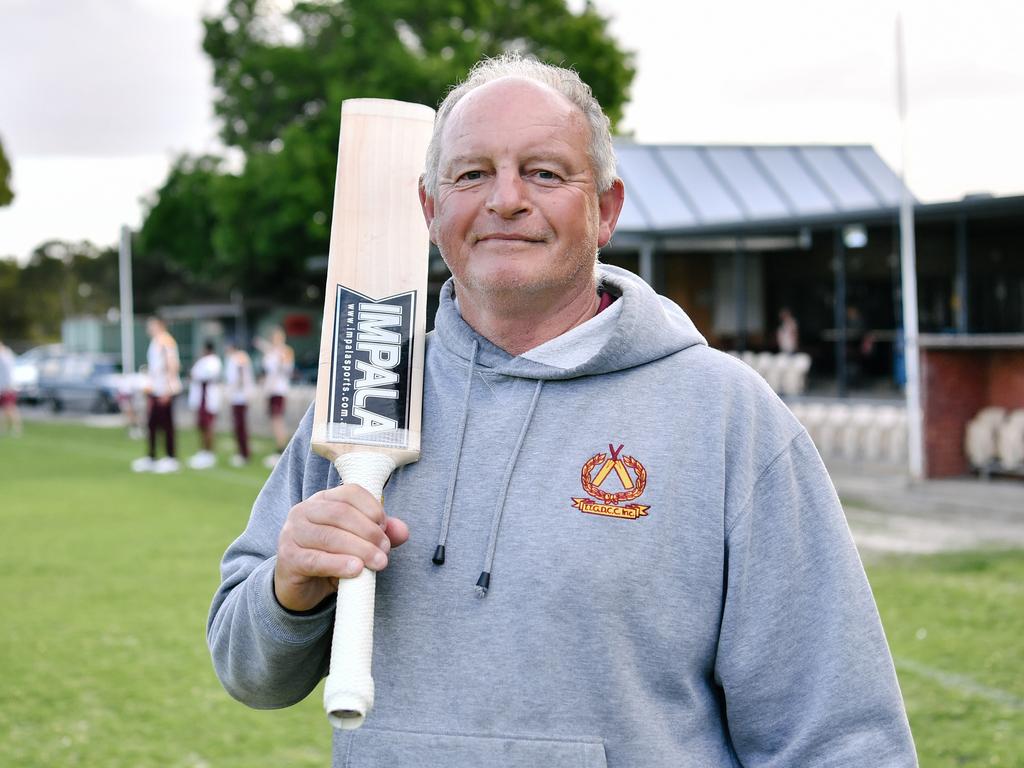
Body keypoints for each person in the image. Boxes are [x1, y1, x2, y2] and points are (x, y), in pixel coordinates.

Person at [208, 55, 917, 767]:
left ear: (605, 209)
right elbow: (249, 673)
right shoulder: (366, 392)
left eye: (544, 172)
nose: (506, 200)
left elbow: (839, 737)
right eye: (471, 173)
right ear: (429, 209)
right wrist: (289, 588)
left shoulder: (725, 417)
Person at [132, 317, 181, 473]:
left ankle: (171, 457)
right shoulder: (156, 342)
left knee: (166, 425)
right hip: (155, 389)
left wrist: (168, 388)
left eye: (151, 325)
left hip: (164, 390)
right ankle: (152, 456)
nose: (149, 327)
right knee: (152, 424)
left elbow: (172, 364)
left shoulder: (166, 341)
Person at [254, 327, 294, 468]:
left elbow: (287, 369)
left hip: (278, 391)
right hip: (270, 391)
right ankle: (279, 447)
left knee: (278, 420)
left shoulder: (285, 352)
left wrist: (280, 358)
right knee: (274, 420)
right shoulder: (272, 353)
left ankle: (281, 450)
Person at [187, 341, 223, 470]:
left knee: (208, 426)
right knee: (201, 426)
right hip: (201, 398)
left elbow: (205, 375)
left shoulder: (213, 361)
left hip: (208, 399)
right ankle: (202, 451)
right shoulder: (203, 361)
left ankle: (209, 453)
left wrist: (195, 375)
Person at [224, 338, 254, 467]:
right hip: (237, 396)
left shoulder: (239, 357)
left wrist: (235, 389)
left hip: (240, 397)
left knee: (240, 426)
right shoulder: (233, 358)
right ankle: (241, 451)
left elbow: (241, 375)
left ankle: (244, 453)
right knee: (238, 426)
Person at [0, 340, 22, 437]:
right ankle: (3, 429)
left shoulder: (5, 356)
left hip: (7, 387)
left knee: (10, 408)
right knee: (3, 410)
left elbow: (8, 373)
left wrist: (8, 386)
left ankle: (17, 429)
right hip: (2, 386)